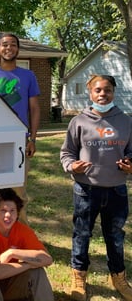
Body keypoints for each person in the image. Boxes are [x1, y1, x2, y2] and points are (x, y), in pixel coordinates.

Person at [60, 74, 132, 301]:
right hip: (86, 189)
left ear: (114, 92)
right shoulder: (79, 121)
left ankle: (119, 278)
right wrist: (72, 166)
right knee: (82, 234)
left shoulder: (126, 121)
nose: (103, 94)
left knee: (115, 236)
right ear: (90, 93)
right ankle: (78, 277)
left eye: (107, 90)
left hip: (117, 189)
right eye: (98, 90)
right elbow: (67, 153)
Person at [0, 33, 41, 224]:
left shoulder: (28, 75)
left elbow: (34, 108)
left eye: (13, 45)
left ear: (18, 49)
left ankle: (21, 230)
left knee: (18, 189)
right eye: (5, 45)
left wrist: (32, 139)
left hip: (19, 140)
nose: (9, 48)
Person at [0, 188, 54, 301]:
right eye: (3, 210)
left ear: (17, 212)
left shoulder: (22, 231)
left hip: (12, 283)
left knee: (37, 272)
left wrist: (13, 253)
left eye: (12, 210)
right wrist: (28, 264)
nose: (8, 215)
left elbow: (47, 259)